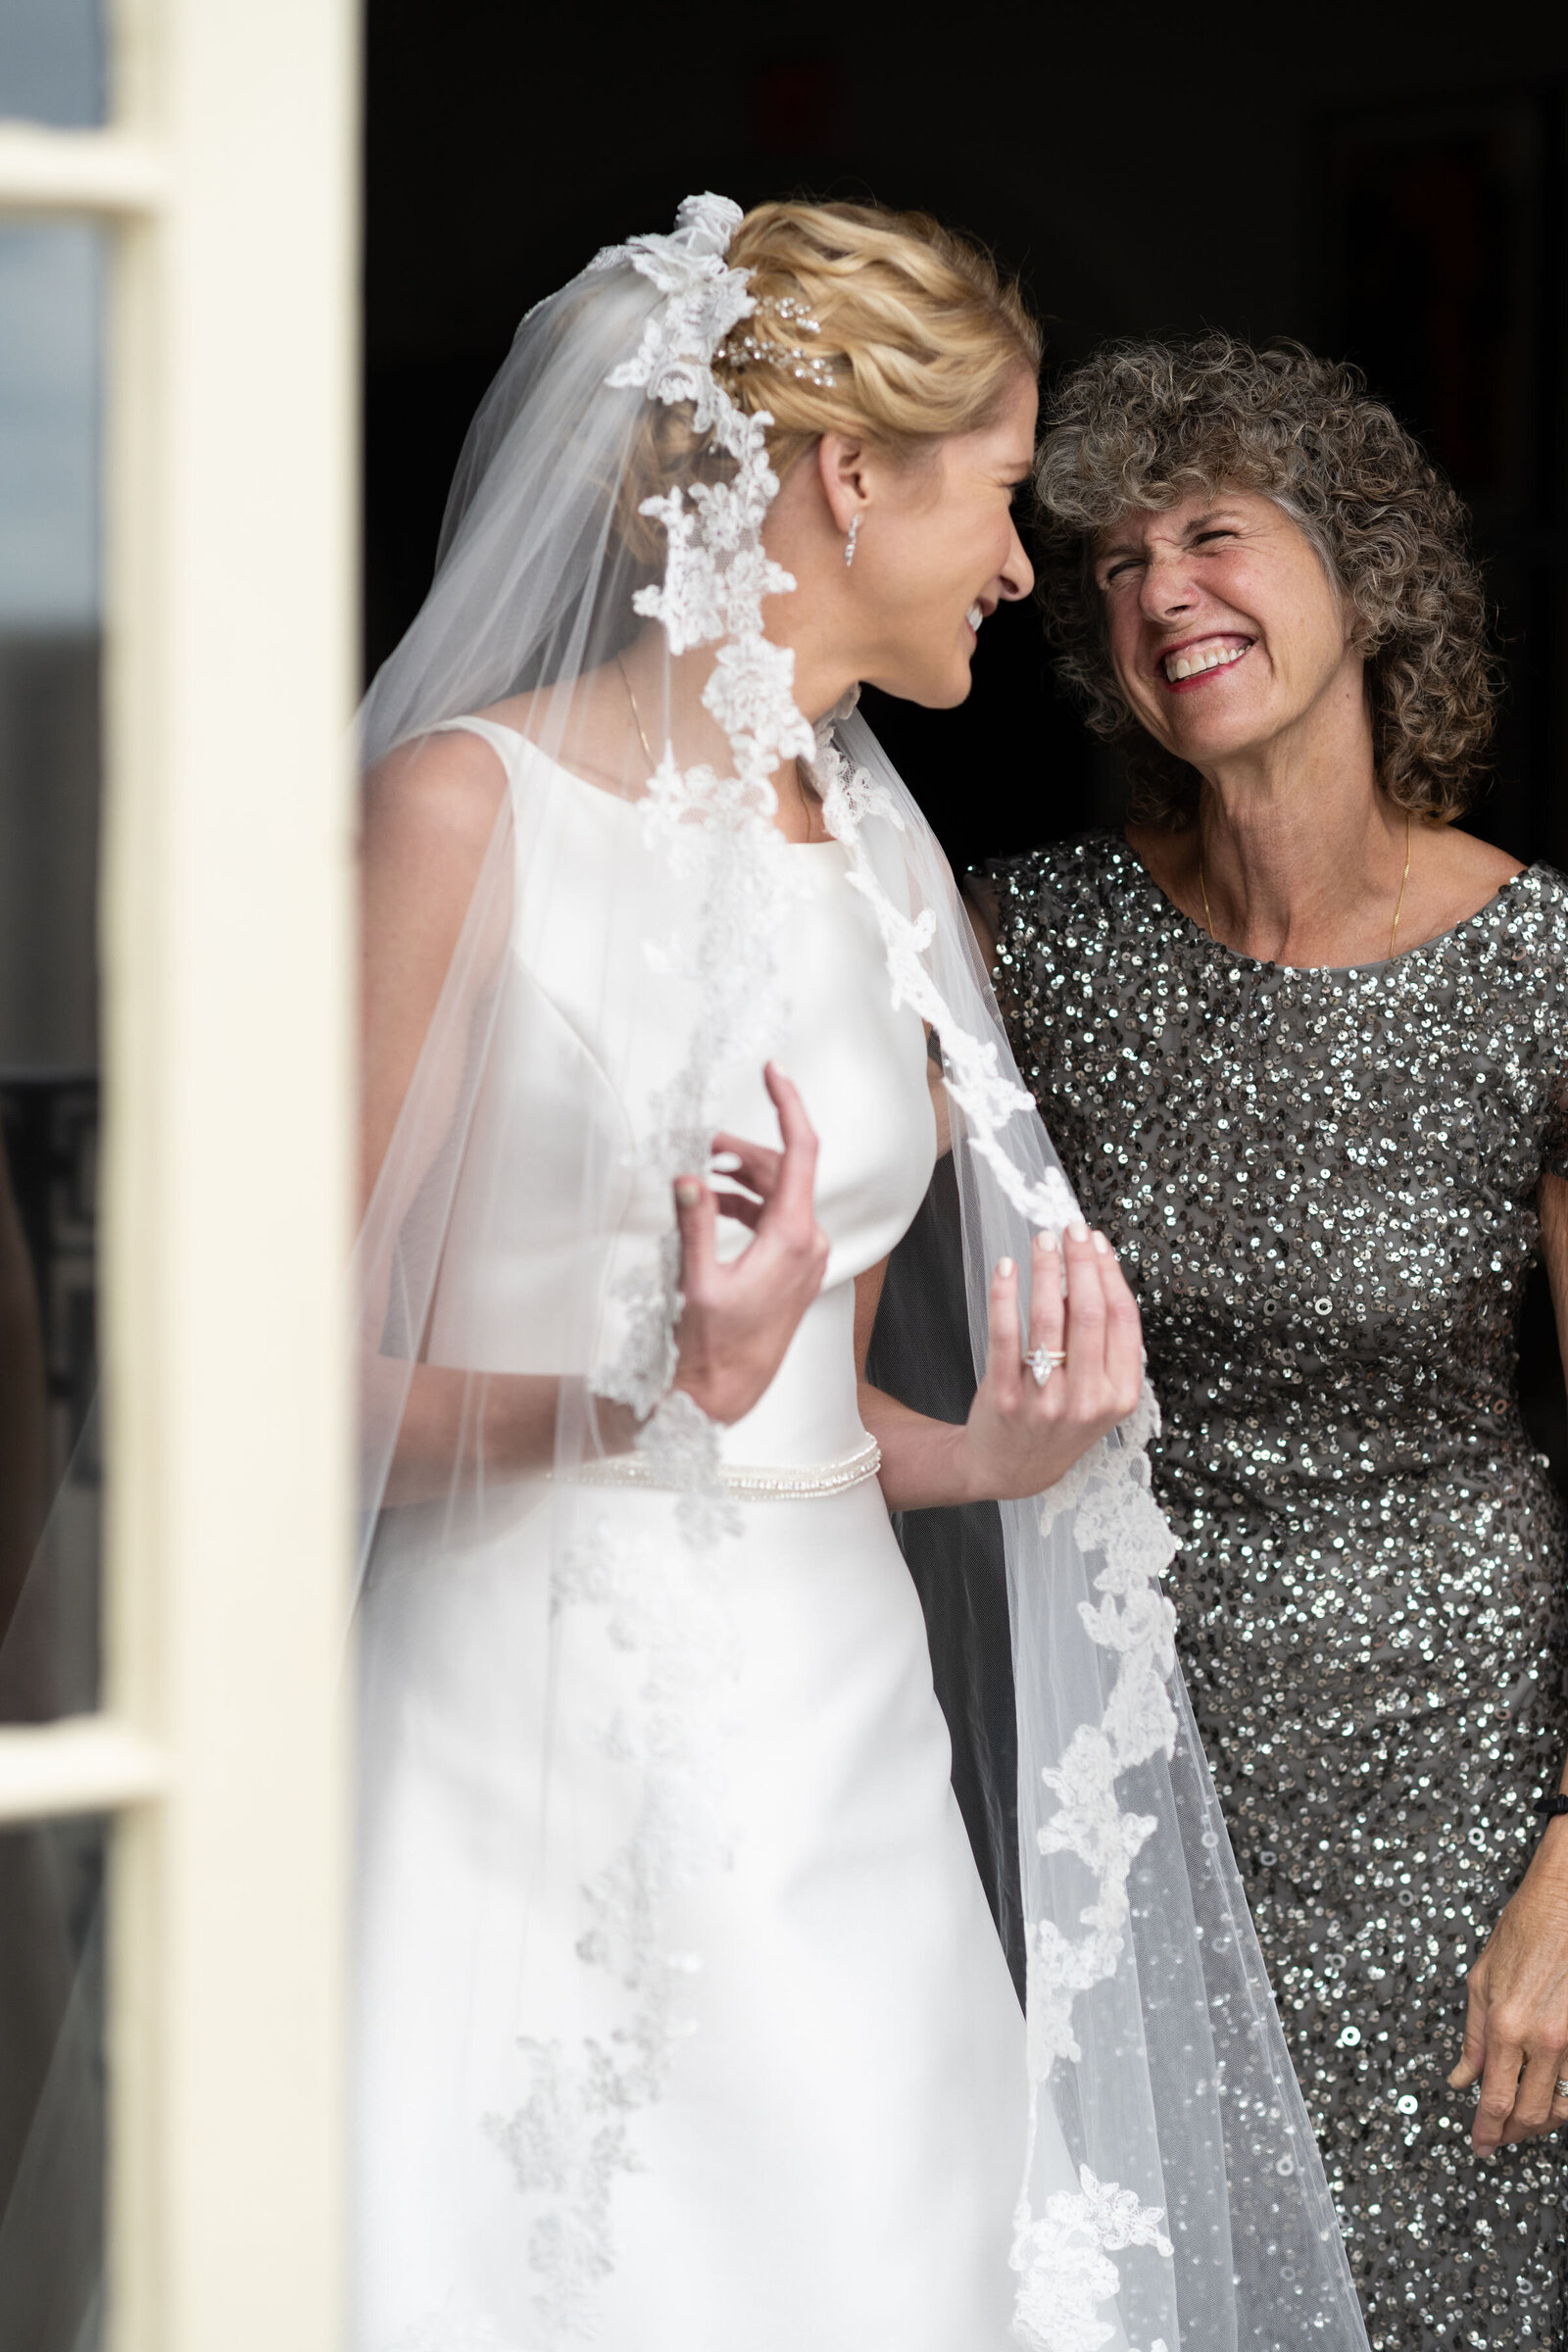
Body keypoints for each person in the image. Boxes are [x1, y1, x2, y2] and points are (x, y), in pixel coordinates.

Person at [351, 213, 1366, 2352]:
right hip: (523, 1756)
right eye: (1001, 495)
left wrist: (987, 1449)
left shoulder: (881, 861)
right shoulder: (462, 813)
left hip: (837, 1748)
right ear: (847, 479)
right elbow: (256, 1400)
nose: (1020, 572)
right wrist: (626, 1395)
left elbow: (800, 1411)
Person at [976, 331, 1568, 2351]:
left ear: (1364, 570)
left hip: (1469, 1800)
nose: (1157, 596)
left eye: (1210, 534)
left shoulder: (1537, 972)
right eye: (1110, 565)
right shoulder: (1022, 948)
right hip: (1119, 1760)